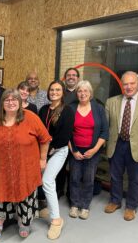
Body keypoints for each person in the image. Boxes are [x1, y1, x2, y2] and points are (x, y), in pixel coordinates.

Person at [0, 89, 52, 241]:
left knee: (26, 195)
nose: (10, 102)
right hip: (3, 169)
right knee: (1, 195)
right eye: (7, 100)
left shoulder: (31, 118)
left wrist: (42, 159)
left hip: (26, 168)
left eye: (14, 99)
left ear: (20, 102)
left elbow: (45, 139)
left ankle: (24, 222)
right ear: (2, 103)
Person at [104, 71, 138, 221]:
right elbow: (106, 126)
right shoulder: (111, 102)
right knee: (115, 176)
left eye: (132, 83)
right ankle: (115, 201)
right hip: (116, 144)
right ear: (121, 85)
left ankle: (131, 207)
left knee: (135, 178)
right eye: (125, 83)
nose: (128, 87)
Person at [38, 80, 74, 239]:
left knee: (47, 181)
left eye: (58, 90)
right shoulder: (44, 109)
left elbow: (65, 136)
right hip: (43, 150)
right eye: (52, 90)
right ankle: (44, 208)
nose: (54, 92)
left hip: (58, 150)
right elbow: (38, 130)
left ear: (62, 93)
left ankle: (56, 220)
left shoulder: (67, 111)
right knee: (39, 180)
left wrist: (48, 151)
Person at [68, 80, 108, 220]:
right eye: (79, 91)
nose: (82, 93)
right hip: (75, 150)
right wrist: (73, 151)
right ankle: (74, 204)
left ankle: (84, 206)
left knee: (89, 179)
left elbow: (104, 132)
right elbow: (66, 132)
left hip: (93, 151)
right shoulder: (71, 108)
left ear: (90, 93)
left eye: (86, 91)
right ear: (76, 93)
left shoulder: (98, 108)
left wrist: (95, 149)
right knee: (74, 178)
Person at [56, 67, 81, 200]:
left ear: (78, 78)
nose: (71, 77)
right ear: (65, 78)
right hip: (63, 134)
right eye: (68, 75)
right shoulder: (61, 93)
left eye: (74, 75)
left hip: (77, 135)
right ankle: (59, 190)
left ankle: (71, 194)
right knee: (60, 167)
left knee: (74, 168)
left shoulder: (81, 93)